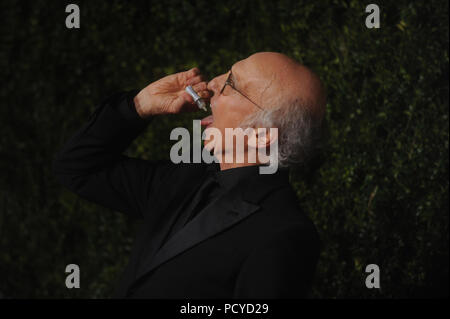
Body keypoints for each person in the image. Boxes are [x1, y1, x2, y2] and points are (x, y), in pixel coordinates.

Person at [53, 52, 326, 298]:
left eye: (231, 84)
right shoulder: (186, 178)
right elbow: (78, 167)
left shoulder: (284, 234)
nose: (213, 84)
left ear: (261, 135)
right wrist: (140, 105)